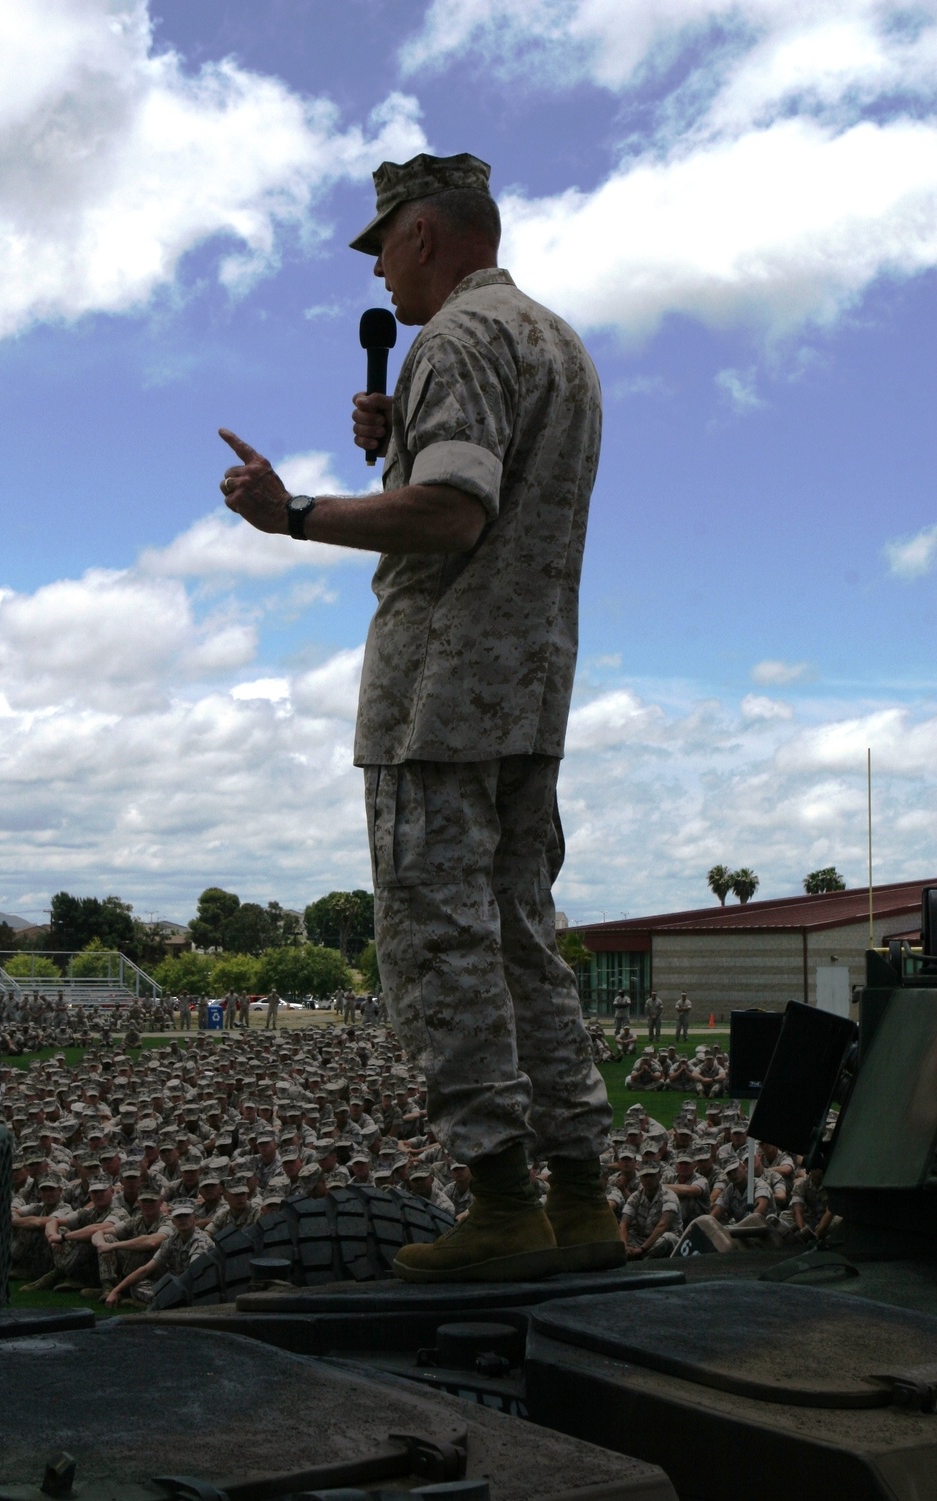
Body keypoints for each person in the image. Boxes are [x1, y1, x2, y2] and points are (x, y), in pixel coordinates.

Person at [218, 150, 619, 1283]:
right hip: (530, 689)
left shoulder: (453, 341)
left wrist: (293, 511)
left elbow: (450, 512)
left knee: (439, 946)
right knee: (522, 944)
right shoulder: (556, 342)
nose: (381, 272)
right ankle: (581, 1198)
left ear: (428, 237)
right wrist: (401, 435)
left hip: (439, 695)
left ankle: (501, 1202)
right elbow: (483, 475)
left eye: (385, 246)